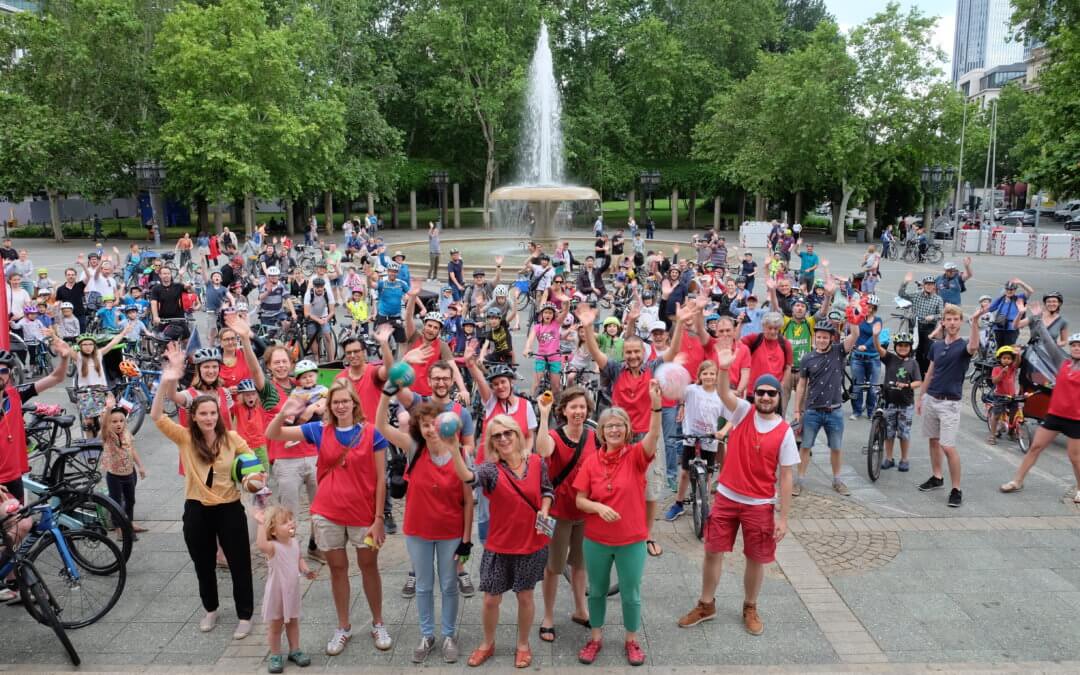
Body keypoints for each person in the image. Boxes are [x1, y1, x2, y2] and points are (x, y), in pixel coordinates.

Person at [266, 380, 392, 656]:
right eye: (336, 402)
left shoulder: (372, 433)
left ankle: (378, 622)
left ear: (354, 404)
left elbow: (382, 478)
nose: (341, 405)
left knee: (369, 566)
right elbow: (273, 434)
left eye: (346, 401)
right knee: (337, 569)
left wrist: (380, 516)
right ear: (330, 406)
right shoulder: (318, 429)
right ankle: (343, 625)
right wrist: (284, 412)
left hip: (363, 513)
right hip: (328, 512)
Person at [676, 357, 797, 637]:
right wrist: (725, 368)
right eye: (762, 392)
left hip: (760, 504)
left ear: (779, 397)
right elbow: (722, 392)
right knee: (712, 551)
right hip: (728, 497)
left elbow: (787, 476)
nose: (766, 397)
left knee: (756, 558)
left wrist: (784, 516)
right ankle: (706, 605)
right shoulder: (742, 412)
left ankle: (750, 606)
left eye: (772, 393)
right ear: (754, 395)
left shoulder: (784, 431)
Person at [151, 342, 257, 639]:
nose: (210, 417)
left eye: (213, 413)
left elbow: (252, 468)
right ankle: (210, 608)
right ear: (194, 417)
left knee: (240, 563)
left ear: (219, 414)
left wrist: (254, 481)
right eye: (204, 414)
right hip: (197, 509)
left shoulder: (233, 439)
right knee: (203, 563)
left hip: (230, 508)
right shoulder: (185, 438)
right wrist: (167, 378)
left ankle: (245, 614)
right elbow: (157, 416)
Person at [576, 301, 689, 558]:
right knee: (612, 485)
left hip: (647, 438)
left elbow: (672, 352)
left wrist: (680, 323)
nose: (633, 356)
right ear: (623, 354)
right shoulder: (615, 370)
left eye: (637, 352)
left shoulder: (652, 368)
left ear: (644, 352)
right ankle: (611, 523)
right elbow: (595, 353)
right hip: (619, 440)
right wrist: (588, 326)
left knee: (651, 490)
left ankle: (647, 533)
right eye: (629, 352)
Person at [446, 415, 552, 669]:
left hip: (531, 543)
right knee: (491, 599)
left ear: (517, 434)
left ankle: (523, 644)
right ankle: (487, 643)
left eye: (508, 433)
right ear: (491, 441)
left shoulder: (536, 462)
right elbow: (468, 477)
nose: (503, 438)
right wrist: (453, 449)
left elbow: (548, 490)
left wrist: (545, 509)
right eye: (497, 435)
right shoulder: (490, 469)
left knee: (525, 597)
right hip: (499, 545)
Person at [375, 395, 472, 663]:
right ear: (419, 427)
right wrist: (385, 396)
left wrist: (467, 539)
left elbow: (468, 501)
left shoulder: (459, 453)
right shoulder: (414, 448)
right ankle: (427, 635)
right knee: (424, 586)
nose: (430, 429)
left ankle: (449, 635)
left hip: (451, 531)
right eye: (425, 424)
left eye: (435, 423)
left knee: (450, 585)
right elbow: (381, 427)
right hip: (418, 531)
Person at [571, 383, 662, 666]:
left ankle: (631, 640)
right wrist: (598, 507)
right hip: (596, 540)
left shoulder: (636, 456)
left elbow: (654, 435)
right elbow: (580, 500)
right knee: (596, 591)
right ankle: (595, 638)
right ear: (601, 431)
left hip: (631, 540)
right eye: (609, 426)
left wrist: (656, 406)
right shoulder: (591, 463)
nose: (614, 430)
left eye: (619, 426)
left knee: (631, 593)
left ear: (626, 430)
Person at [1000, 307, 1080, 500]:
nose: (1076, 348)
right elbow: (1047, 341)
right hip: (1055, 415)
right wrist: (1036, 318)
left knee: (1074, 457)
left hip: (1076, 419)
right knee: (1035, 447)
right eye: (1074, 345)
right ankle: (1017, 481)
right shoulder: (1063, 362)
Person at [534, 387, 594, 643]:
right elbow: (543, 451)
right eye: (573, 407)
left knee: (580, 565)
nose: (578, 411)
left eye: (582, 407)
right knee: (553, 567)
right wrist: (544, 415)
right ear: (564, 411)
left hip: (585, 512)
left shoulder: (594, 436)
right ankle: (548, 616)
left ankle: (581, 609)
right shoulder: (555, 436)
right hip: (558, 512)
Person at [915, 304, 983, 508]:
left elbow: (974, 345)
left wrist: (976, 322)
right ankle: (937, 476)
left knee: (948, 446)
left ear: (960, 322)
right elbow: (930, 373)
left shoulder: (963, 346)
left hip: (950, 403)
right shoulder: (936, 346)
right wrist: (921, 397)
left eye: (956, 320)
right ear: (943, 322)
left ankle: (956, 488)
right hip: (932, 399)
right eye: (949, 319)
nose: (952, 323)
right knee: (933, 440)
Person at [0, 337, 71, 502]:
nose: (0, 375)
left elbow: (56, 378)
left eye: (3, 371)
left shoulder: (16, 395)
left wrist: (65, 357)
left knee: (20, 525)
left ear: (10, 373)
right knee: (18, 524)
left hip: (13, 476)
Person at [792, 319, 858, 496]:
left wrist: (854, 320)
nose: (821, 340)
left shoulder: (839, 352)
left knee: (836, 448)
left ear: (831, 338)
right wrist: (797, 410)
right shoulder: (808, 358)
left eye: (825, 337)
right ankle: (799, 481)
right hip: (812, 410)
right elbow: (801, 385)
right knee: (805, 446)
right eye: (818, 337)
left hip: (834, 410)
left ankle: (837, 480)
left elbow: (855, 335)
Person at [665, 361, 732, 520]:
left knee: (708, 475)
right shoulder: (692, 390)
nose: (708, 376)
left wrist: (723, 431)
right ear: (699, 376)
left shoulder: (720, 396)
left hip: (710, 439)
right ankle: (678, 504)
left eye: (712, 373)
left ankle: (705, 503)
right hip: (691, 437)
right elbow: (675, 388)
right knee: (684, 473)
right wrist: (677, 370)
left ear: (717, 377)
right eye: (705, 373)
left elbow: (732, 417)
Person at [256, 506, 316, 674]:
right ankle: (275, 655)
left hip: (291, 592)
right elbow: (261, 544)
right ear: (273, 531)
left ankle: (295, 650)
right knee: (275, 626)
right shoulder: (272, 547)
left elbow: (299, 558)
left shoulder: (295, 543)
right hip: (277, 593)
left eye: (291, 519)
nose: (291, 523)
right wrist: (261, 523)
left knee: (293, 622)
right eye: (284, 522)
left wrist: (305, 570)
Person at [873, 331, 921, 472]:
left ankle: (904, 459)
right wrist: (875, 336)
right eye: (900, 345)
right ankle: (889, 458)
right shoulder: (890, 358)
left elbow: (918, 381)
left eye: (906, 346)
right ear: (895, 347)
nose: (903, 348)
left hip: (906, 404)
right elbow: (879, 349)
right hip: (890, 401)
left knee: (904, 433)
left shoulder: (913, 363)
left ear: (910, 348)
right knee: (889, 432)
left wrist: (907, 385)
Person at [99, 407, 148, 533]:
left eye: (121, 421)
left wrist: (140, 466)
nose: (118, 424)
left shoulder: (126, 432)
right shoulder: (107, 436)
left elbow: (132, 449)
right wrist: (109, 409)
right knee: (116, 502)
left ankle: (129, 523)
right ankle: (118, 528)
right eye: (114, 422)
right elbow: (104, 426)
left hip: (129, 473)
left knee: (130, 500)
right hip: (114, 475)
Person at [899, 272, 944, 377]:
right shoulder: (916, 295)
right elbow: (902, 294)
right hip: (915, 326)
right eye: (927, 284)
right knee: (916, 350)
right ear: (923, 285)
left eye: (931, 284)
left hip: (929, 328)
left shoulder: (938, 299)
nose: (929, 286)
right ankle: (918, 374)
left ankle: (926, 373)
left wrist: (933, 317)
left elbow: (941, 314)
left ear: (934, 286)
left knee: (928, 351)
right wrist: (905, 282)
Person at [849, 294, 884, 420]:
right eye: (866, 306)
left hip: (873, 357)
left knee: (873, 387)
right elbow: (852, 331)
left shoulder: (878, 320)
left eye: (871, 307)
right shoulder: (859, 318)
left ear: (874, 308)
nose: (868, 308)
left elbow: (874, 335)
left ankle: (871, 411)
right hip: (858, 357)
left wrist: (865, 345)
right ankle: (857, 411)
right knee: (857, 385)